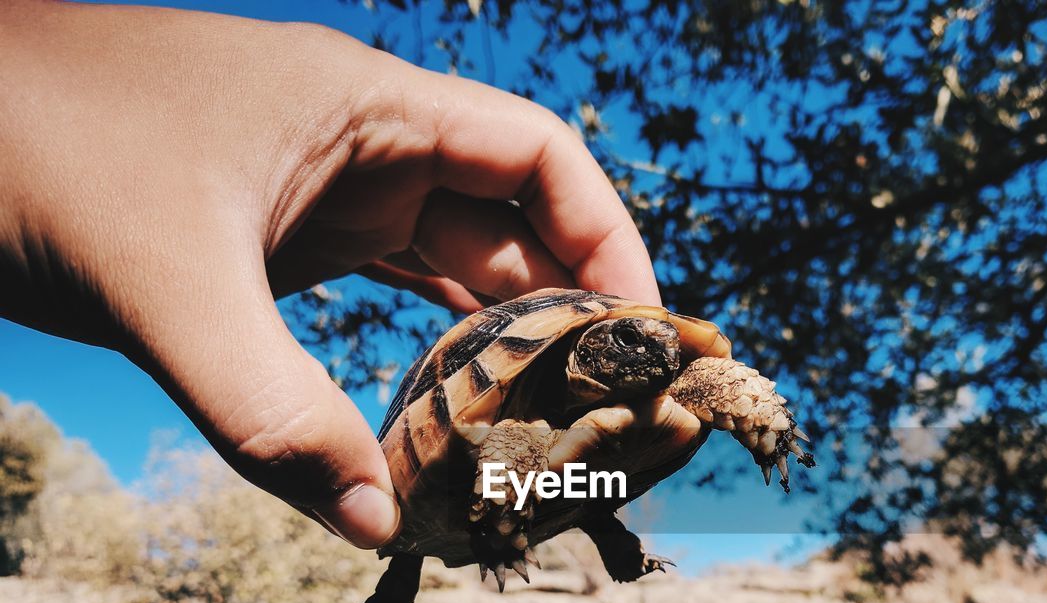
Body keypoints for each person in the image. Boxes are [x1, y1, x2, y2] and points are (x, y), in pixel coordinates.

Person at [0, 0, 660, 549]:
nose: (650, 346)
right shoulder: (520, 416)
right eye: (626, 340)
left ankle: (601, 533)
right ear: (590, 350)